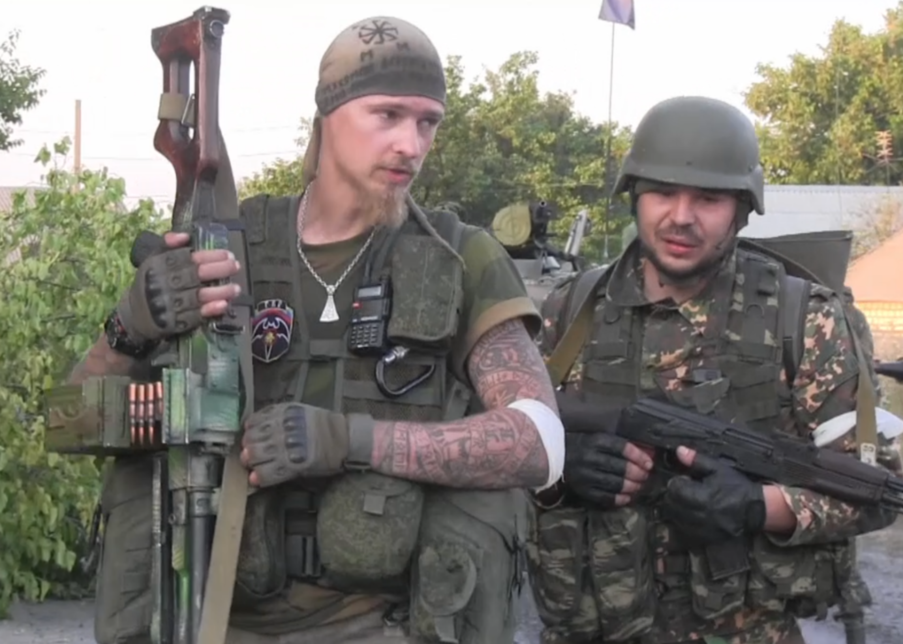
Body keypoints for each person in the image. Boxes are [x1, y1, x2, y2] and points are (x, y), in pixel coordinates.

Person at [67, 15, 564, 644]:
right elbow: (71, 422)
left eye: (427, 122)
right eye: (387, 115)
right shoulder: (227, 248)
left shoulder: (459, 255)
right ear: (327, 114)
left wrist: (351, 440)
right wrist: (130, 324)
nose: (411, 144)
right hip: (213, 617)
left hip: (383, 625)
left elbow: (541, 441)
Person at [526, 95, 900, 644]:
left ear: (742, 209)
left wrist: (758, 507)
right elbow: (502, 447)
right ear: (633, 196)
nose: (681, 216)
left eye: (708, 198)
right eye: (662, 192)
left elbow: (874, 489)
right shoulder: (570, 310)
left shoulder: (806, 320)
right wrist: (558, 473)